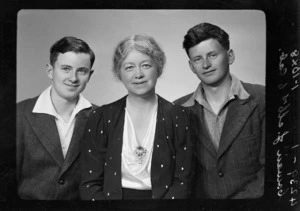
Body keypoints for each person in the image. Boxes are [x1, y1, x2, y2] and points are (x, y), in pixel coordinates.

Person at [80, 35, 195, 200]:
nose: (138, 74)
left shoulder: (179, 117)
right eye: (129, 67)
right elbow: (90, 184)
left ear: (159, 68)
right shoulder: (101, 118)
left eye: (146, 65)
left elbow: (183, 182)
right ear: (119, 73)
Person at [174, 22, 265, 199]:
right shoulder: (178, 110)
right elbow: (179, 176)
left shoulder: (262, 99)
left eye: (213, 55)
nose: (206, 64)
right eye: (198, 59)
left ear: (230, 56)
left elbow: (272, 170)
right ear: (191, 66)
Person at [17, 36, 97, 200]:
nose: (73, 78)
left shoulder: (100, 117)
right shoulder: (19, 114)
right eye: (66, 69)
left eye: (81, 71)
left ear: (90, 75)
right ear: (50, 71)